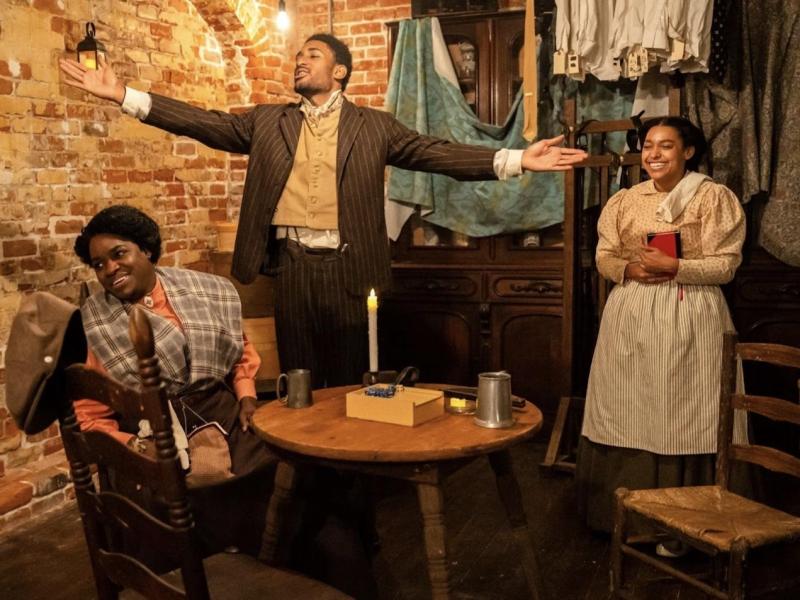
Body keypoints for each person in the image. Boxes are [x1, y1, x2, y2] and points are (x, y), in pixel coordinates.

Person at [59, 33, 586, 389]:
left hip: (350, 270)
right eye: (298, 56)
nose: (300, 60)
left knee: (352, 378)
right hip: (290, 267)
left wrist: (517, 157)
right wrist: (123, 94)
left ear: (341, 72)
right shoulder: (268, 122)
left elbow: (436, 153)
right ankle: (304, 489)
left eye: (312, 54)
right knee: (299, 380)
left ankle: (352, 490)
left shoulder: (375, 126)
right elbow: (202, 122)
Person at [575, 117, 748, 553]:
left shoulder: (712, 198)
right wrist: (628, 268)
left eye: (666, 146)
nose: (653, 154)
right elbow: (604, 255)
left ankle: (690, 525)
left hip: (690, 313)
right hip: (631, 314)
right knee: (629, 403)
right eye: (648, 145)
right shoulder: (625, 200)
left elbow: (726, 265)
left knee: (688, 407)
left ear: (688, 152)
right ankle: (628, 516)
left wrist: (676, 267)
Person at [73, 204, 274, 555]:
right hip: (154, 432)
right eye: (99, 264)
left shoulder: (202, 289)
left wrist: (246, 397)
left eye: (118, 254)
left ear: (146, 249)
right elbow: (90, 418)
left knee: (284, 469)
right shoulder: (96, 325)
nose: (109, 269)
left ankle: (270, 557)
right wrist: (135, 446)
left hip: (222, 412)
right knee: (183, 505)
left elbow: (238, 349)